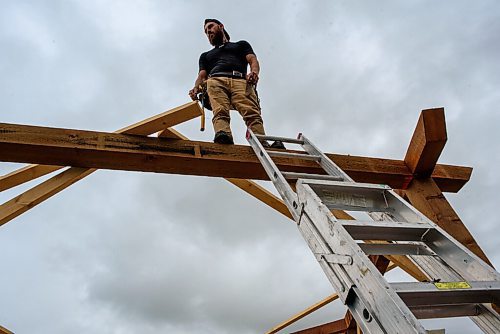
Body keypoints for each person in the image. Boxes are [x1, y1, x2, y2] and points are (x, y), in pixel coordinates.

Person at [189, 18, 284, 148]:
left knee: (251, 112)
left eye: (210, 27)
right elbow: (202, 75)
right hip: (216, 81)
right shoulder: (205, 55)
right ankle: (223, 135)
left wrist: (254, 72)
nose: (208, 31)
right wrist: (196, 88)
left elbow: (252, 59)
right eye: (206, 31)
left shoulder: (240, 45)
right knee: (220, 110)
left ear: (221, 26)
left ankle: (261, 141)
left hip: (240, 80)